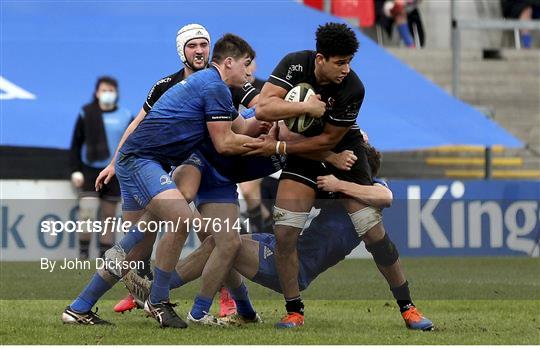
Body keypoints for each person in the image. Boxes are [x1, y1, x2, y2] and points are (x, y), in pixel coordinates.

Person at [62, 33, 261, 329]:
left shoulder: (211, 84)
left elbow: (245, 123)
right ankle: (158, 300)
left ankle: (80, 307)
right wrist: (278, 144)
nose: (249, 73)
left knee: (138, 249)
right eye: (246, 66)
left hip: (148, 162)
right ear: (228, 62)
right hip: (142, 161)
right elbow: (224, 141)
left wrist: (267, 116)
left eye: (203, 44)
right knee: (180, 220)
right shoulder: (204, 85)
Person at [123, 143, 434, 331]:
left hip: (292, 268)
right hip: (282, 247)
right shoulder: (348, 191)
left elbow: (386, 196)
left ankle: (164, 297)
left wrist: (340, 184)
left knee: (222, 243)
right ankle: (239, 311)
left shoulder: (368, 193)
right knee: (222, 242)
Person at [244, 22, 425, 329]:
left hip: (344, 153)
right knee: (285, 233)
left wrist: (280, 145)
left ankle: (408, 307)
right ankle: (294, 311)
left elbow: (328, 141)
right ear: (319, 59)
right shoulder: (294, 64)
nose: (346, 69)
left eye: (349, 62)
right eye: (340, 62)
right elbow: (262, 110)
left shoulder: (353, 88)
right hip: (304, 154)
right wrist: (306, 108)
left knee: (372, 232)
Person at [69, 76, 132, 259]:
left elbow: (133, 142)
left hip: (114, 171)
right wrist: (75, 170)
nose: (107, 94)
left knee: (109, 216)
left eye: (111, 90)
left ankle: (104, 257)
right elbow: (75, 145)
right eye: (104, 90)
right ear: (97, 93)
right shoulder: (86, 113)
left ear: (116, 93)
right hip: (89, 170)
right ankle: (83, 254)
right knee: (87, 212)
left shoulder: (126, 116)